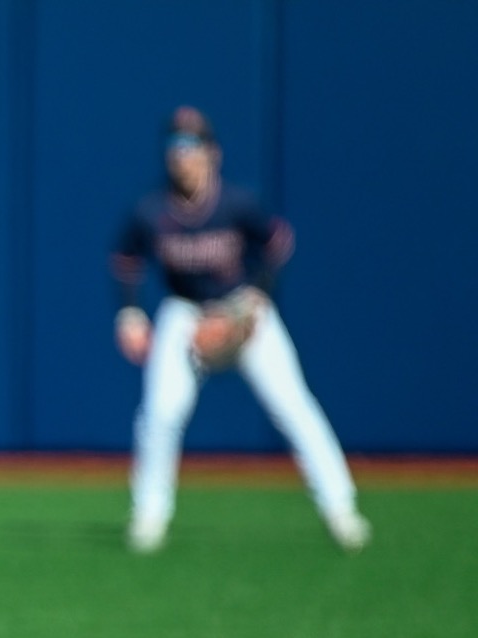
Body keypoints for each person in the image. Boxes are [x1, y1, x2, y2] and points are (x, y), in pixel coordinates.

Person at [111, 105, 369, 554]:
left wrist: (252, 301)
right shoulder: (150, 211)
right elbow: (125, 258)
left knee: (293, 406)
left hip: (239, 308)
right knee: (161, 413)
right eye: (175, 147)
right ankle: (149, 515)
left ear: (213, 154)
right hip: (185, 314)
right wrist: (130, 313)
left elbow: (277, 244)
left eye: (192, 147)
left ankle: (341, 509)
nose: (183, 157)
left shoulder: (236, 203)